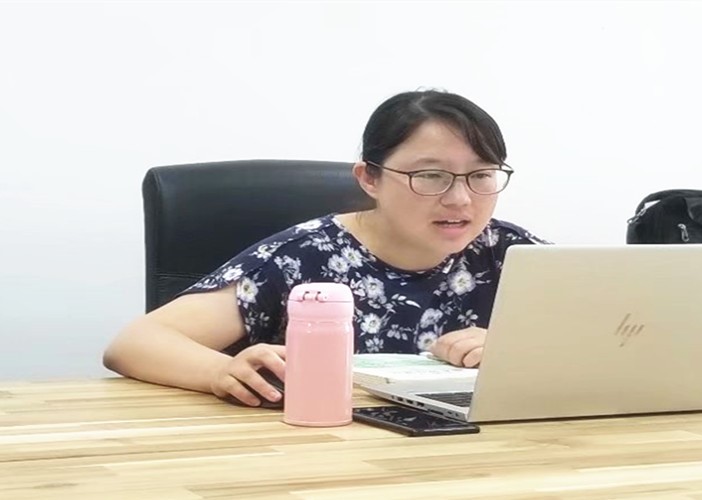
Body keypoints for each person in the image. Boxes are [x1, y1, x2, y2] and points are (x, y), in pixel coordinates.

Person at [103, 89, 548, 407]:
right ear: (369, 178)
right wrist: (221, 370)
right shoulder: (304, 257)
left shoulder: (511, 252)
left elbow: (592, 338)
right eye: (430, 176)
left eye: (481, 175)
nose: (461, 199)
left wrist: (518, 348)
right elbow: (134, 343)